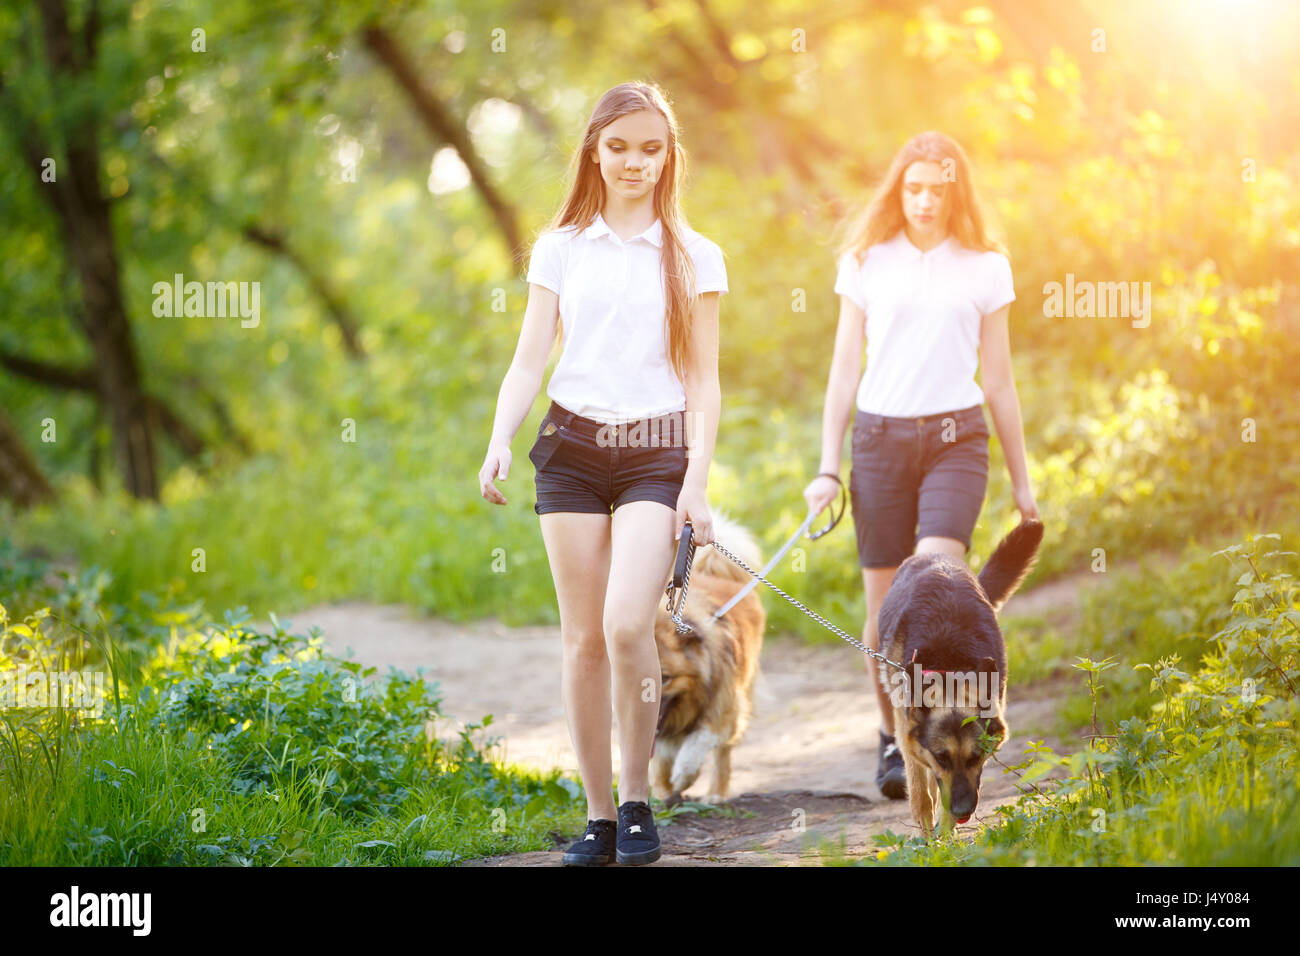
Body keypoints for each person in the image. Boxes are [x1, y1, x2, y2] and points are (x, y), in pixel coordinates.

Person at [478, 82, 727, 865]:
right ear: (595, 149)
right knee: (584, 638)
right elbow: (529, 359)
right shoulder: (560, 247)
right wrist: (497, 440)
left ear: (668, 155)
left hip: (658, 453)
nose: (634, 162)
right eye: (619, 146)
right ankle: (598, 819)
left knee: (629, 625)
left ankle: (637, 799)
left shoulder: (694, 255)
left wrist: (697, 483)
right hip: (572, 453)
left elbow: (704, 381)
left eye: (651, 148)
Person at [803, 131, 1039, 801]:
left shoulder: (987, 266)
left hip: (955, 439)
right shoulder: (866, 259)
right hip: (878, 440)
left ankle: (957, 735)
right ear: (897, 188)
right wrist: (827, 466)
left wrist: (1022, 482)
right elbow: (845, 365)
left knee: (935, 580)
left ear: (955, 190)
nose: (926, 201)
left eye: (939, 189)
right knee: (886, 617)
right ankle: (897, 737)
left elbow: (999, 380)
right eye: (914, 188)